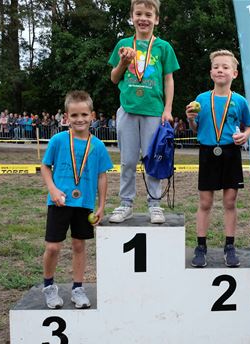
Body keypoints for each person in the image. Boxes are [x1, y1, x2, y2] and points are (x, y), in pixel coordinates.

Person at [107, 0, 179, 224]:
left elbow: (168, 79)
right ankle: (125, 203)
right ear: (132, 17)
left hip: (154, 112)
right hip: (128, 109)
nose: (143, 18)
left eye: (148, 14)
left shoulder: (163, 47)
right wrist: (123, 62)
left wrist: (167, 109)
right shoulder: (124, 44)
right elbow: (114, 77)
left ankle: (154, 204)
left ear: (156, 19)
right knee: (128, 160)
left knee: (153, 159)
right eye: (138, 13)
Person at [40, 90, 113, 309]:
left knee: (79, 245)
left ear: (92, 115)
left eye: (83, 114)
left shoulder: (98, 146)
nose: (79, 119)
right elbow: (45, 166)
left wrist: (101, 205)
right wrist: (52, 189)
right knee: (53, 247)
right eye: (74, 115)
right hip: (59, 202)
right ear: (66, 117)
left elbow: (102, 176)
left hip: (84, 204)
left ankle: (78, 288)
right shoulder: (58, 140)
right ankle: (49, 287)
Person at [185, 49, 250, 268]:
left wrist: (245, 135)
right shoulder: (201, 99)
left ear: (234, 73)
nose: (220, 70)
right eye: (216, 67)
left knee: (230, 202)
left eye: (225, 67)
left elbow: (249, 126)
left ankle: (229, 246)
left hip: (231, 153)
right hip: (207, 152)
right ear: (211, 72)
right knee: (205, 202)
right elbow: (195, 128)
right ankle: (201, 246)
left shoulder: (240, 101)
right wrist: (190, 119)